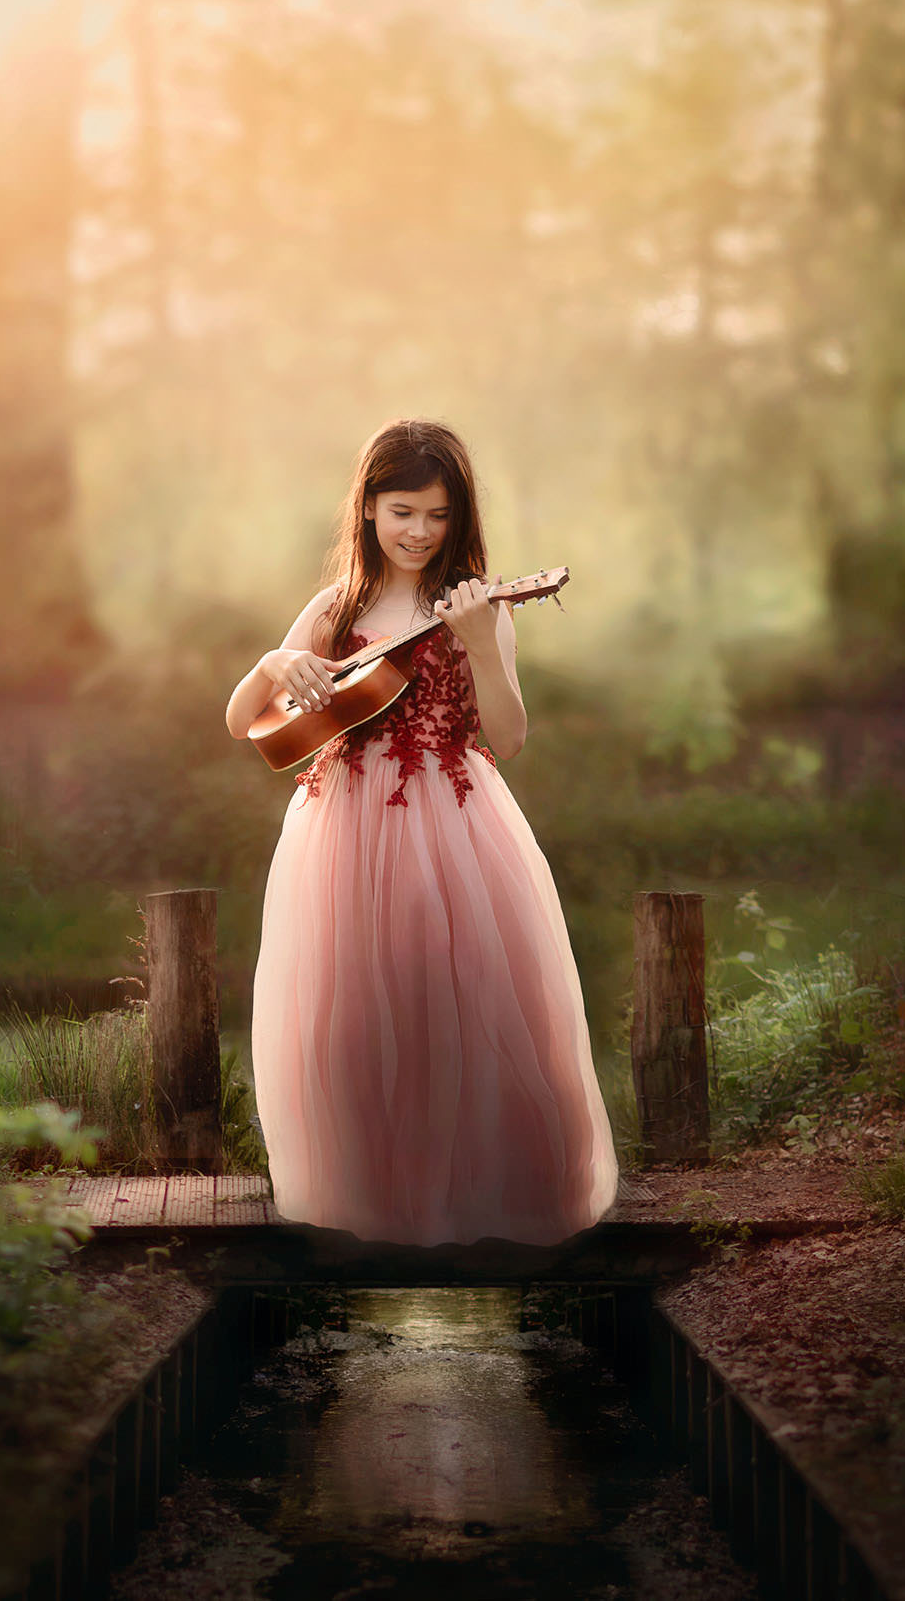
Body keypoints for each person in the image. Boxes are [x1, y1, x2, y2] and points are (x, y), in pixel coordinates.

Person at [224, 418, 619, 1246]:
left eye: (438, 516)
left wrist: (479, 642)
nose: (419, 532)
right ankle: (377, 1202)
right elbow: (245, 726)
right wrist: (273, 664)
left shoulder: (478, 604)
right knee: (356, 1008)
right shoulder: (338, 606)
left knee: (458, 997)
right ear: (367, 507)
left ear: (459, 517)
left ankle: (478, 1203)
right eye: (402, 511)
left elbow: (506, 740)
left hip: (453, 818)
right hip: (339, 828)